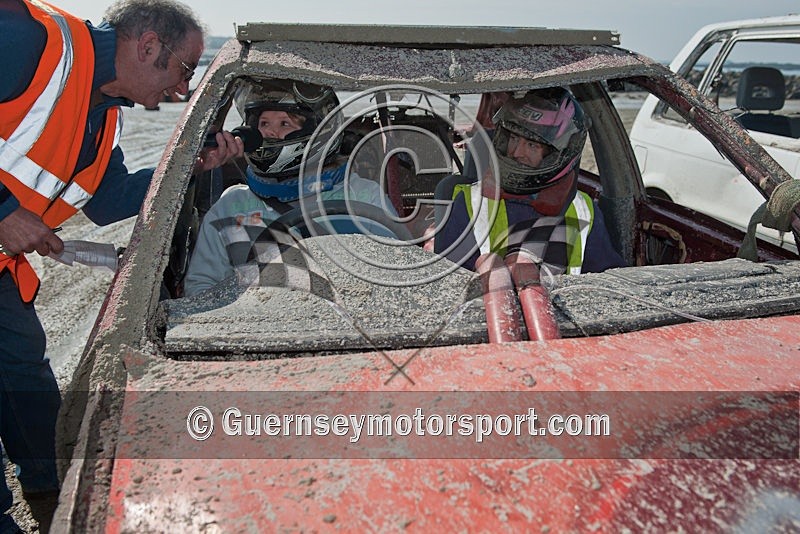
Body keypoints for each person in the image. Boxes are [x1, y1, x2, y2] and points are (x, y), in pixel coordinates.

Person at [0, 1, 243, 531]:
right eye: (184, 71)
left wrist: (190, 162)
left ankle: (54, 495)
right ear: (149, 46)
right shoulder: (28, 42)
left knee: (27, 384)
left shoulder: (102, 114)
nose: (182, 91)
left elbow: (108, 201)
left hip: (1, 273)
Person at [183, 81, 396, 297]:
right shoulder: (232, 206)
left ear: (319, 131)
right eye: (264, 123)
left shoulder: (363, 195)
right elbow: (201, 288)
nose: (270, 133)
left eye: (284, 124)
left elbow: (394, 272)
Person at [434, 87, 626, 275]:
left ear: (556, 155)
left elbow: (610, 282)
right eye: (514, 139)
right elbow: (450, 287)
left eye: (532, 145)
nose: (517, 152)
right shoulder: (469, 202)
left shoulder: (584, 210)